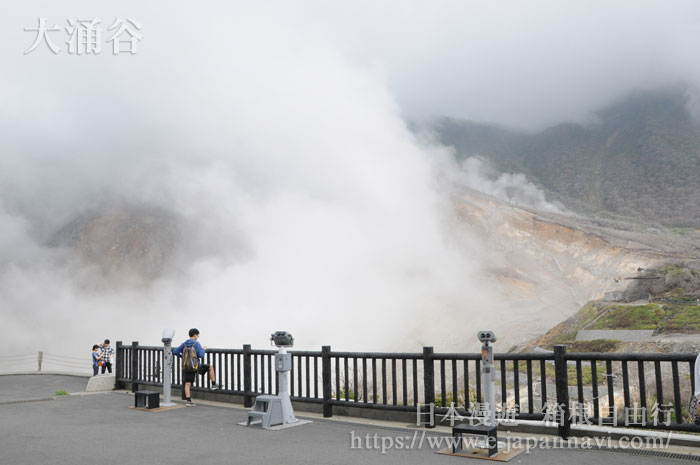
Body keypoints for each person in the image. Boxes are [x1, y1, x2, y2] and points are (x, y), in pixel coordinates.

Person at [173, 328, 220, 406]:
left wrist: (182, 356)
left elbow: (175, 352)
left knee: (187, 384)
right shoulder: (196, 344)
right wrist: (203, 349)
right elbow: (201, 355)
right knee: (210, 367)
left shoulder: (184, 344)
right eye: (198, 335)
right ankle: (214, 385)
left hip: (187, 366)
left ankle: (188, 401)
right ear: (195, 335)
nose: (198, 337)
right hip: (196, 366)